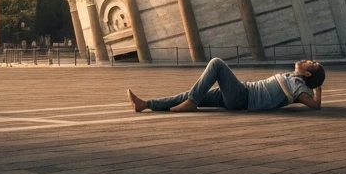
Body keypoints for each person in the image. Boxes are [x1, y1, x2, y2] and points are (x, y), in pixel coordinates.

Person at [128, 57, 325, 114]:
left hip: (243, 97)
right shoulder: (292, 77)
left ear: (308, 73)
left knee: (216, 63)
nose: (308, 60)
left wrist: (317, 87)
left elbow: (315, 106)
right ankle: (145, 104)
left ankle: (192, 101)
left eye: (312, 63)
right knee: (192, 93)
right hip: (240, 92)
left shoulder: (299, 89)